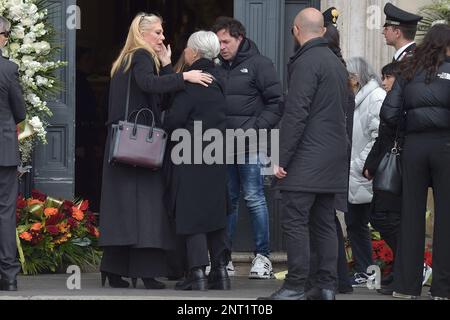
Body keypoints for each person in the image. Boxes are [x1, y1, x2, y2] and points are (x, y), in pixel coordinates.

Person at [98, 13, 213, 290]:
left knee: (124, 211)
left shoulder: (126, 58)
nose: (163, 38)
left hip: (124, 143)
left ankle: (114, 270)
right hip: (141, 146)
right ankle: (146, 274)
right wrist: (184, 75)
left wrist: (165, 64)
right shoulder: (140, 55)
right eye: (158, 33)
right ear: (143, 32)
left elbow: (154, 92)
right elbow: (150, 87)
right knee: (147, 211)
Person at [259, 8, 349, 300]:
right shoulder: (336, 62)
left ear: (296, 30)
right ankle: (325, 286)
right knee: (323, 221)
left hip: (307, 156)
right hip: (332, 155)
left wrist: (281, 158)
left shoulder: (306, 61)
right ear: (322, 30)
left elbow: (296, 112)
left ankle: (296, 286)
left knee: (295, 220)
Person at [380, 24, 450, 300]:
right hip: (446, 147)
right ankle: (443, 289)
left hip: (414, 148)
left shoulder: (408, 71)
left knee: (410, 217)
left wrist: (407, 130)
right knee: (446, 219)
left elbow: (389, 113)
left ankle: (405, 287)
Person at [212, 17, 282, 279]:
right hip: (222, 146)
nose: (221, 47)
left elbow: (277, 103)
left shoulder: (260, 64)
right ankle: (223, 258)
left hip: (252, 145)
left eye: (226, 41)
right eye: (218, 42)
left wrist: (255, 129)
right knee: (227, 200)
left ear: (239, 38)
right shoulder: (216, 66)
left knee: (253, 198)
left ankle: (263, 258)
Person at [164, 31, 230, 291]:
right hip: (216, 153)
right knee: (215, 212)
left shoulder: (192, 83)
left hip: (189, 153)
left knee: (192, 213)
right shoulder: (219, 79)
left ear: (195, 53)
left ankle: (197, 272)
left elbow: (174, 120)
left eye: (188, 49)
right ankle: (221, 272)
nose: (186, 52)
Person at [306, 7, 355, 297]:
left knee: (322, 217)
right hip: (338, 152)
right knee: (327, 217)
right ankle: (338, 278)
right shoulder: (340, 71)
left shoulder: (325, 69)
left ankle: (330, 278)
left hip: (326, 153)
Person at [346, 57, 386, 288]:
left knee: (376, 222)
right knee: (355, 222)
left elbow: (378, 136)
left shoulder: (375, 98)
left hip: (365, 172)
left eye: (349, 77)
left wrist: (360, 164)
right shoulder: (359, 98)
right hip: (356, 173)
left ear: (357, 77)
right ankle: (365, 270)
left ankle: (372, 271)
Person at [363, 62, 402, 295]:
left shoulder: (399, 102)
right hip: (384, 166)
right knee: (379, 216)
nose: (384, 82)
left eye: (388, 78)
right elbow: (381, 138)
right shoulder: (390, 100)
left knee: (388, 218)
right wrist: (370, 164)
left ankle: (405, 266)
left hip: (395, 169)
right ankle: (400, 264)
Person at [0, 15, 26, 292]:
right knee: (5, 213)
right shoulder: (8, 69)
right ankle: (8, 276)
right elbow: (20, 112)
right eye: (6, 35)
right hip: (4, 151)